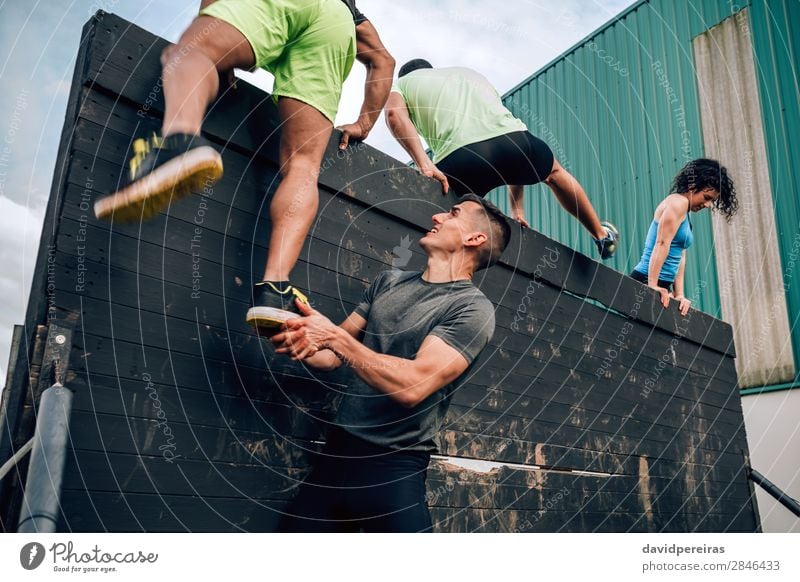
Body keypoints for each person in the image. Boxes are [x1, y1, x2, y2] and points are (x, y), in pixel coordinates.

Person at [93, 0, 395, 333]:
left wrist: (217, 51)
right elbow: (383, 60)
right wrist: (364, 124)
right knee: (303, 166)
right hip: (336, 21)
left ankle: (180, 140)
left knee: (193, 52)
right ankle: (274, 288)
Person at [270, 194, 510, 532]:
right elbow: (331, 357)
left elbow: (414, 386)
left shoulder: (472, 310)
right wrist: (299, 337)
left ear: (475, 239)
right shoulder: (389, 282)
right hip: (336, 456)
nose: (438, 216)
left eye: (453, 213)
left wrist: (334, 337)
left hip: (391, 468)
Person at [384, 58, 619, 259]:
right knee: (555, 173)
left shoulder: (402, 83)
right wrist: (517, 211)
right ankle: (600, 235)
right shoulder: (469, 74)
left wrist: (425, 164)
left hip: (461, 160)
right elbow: (499, 137)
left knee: (452, 214)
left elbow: (394, 114)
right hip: (516, 144)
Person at [631, 158, 738, 315]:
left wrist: (679, 294)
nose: (708, 205)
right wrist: (652, 285)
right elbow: (661, 243)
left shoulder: (685, 214)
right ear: (693, 187)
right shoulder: (677, 204)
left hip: (662, 286)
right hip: (646, 280)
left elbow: (680, 256)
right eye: (707, 198)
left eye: (712, 201)